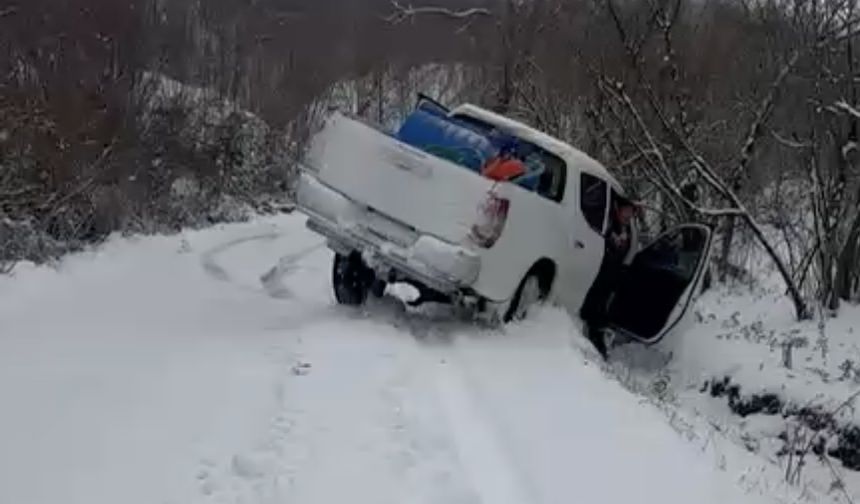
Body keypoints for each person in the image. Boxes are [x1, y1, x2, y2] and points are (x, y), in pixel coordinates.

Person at [579, 194, 638, 359]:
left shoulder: (626, 229)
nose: (628, 217)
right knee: (595, 308)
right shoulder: (609, 224)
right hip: (598, 270)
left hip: (612, 274)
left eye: (631, 214)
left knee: (604, 307)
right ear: (618, 210)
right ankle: (593, 342)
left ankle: (598, 337)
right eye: (626, 212)